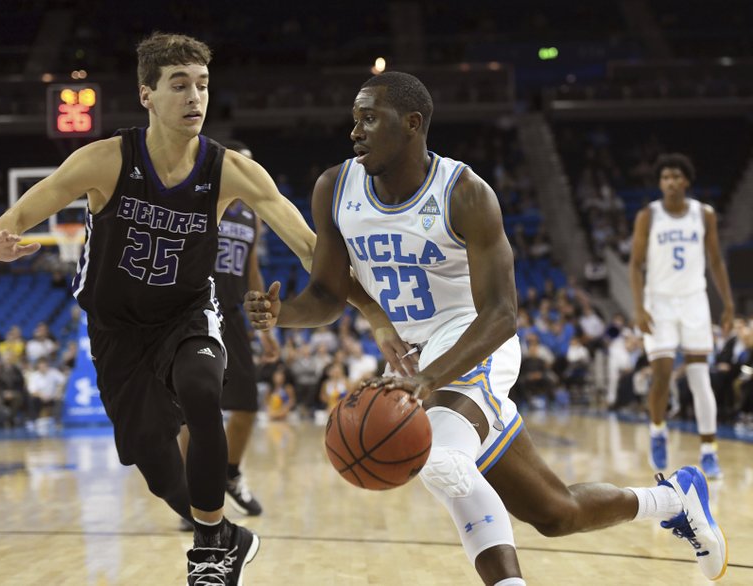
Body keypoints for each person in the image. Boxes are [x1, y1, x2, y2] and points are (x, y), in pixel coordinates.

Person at [245, 72, 728, 584]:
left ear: (412, 124)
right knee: (555, 513)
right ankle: (675, 497)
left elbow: (502, 314)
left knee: (440, 457)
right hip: (418, 357)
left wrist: (427, 381)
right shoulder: (335, 187)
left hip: (475, 342)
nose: (355, 132)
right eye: (354, 120)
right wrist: (284, 314)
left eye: (369, 119)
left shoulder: (465, 193)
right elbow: (326, 295)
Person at [0, 32, 409, 586]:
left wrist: (373, 315)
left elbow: (308, 247)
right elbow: (26, 210)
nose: (194, 97)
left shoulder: (230, 170)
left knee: (203, 389)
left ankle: (206, 554)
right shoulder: (105, 160)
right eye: (179, 85)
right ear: (147, 95)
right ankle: (228, 536)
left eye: (202, 84)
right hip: (116, 329)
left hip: (188, 312)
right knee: (155, 468)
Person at [178, 139, 278, 521]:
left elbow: (251, 269)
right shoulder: (198, 200)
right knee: (197, 411)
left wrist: (264, 327)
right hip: (197, 310)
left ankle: (231, 475)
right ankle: (193, 493)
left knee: (247, 407)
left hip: (234, 314)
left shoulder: (251, 215)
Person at [629, 153, 735, 479]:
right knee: (661, 373)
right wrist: (638, 307)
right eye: (665, 178)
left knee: (700, 377)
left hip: (694, 301)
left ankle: (709, 450)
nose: (671, 182)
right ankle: (658, 429)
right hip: (658, 302)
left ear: (686, 181)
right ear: (660, 183)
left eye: (676, 177)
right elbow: (635, 265)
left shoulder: (704, 215)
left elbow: (715, 262)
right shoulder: (649, 215)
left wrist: (728, 304)